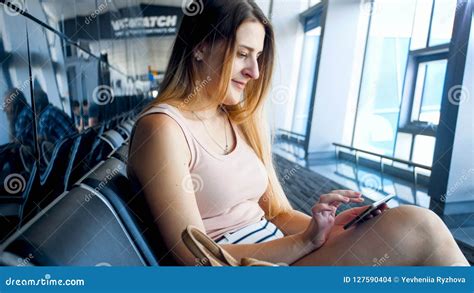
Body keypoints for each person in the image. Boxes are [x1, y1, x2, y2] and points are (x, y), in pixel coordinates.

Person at [128, 0, 469, 266]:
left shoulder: (234, 118)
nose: (255, 71)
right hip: (249, 268)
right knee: (419, 228)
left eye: (258, 56)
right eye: (243, 54)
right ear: (200, 47)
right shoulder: (163, 128)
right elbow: (196, 257)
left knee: (415, 245)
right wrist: (306, 241)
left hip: (283, 253)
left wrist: (328, 228)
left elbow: (276, 214)